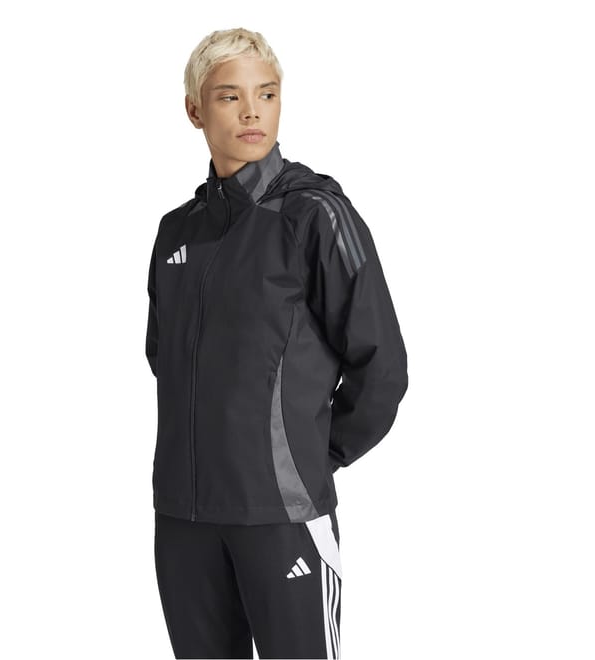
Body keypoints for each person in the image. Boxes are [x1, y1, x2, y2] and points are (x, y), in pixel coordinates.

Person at [145, 27, 408, 659]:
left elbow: (381, 366)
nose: (251, 112)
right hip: (183, 519)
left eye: (266, 94)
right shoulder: (176, 232)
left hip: (282, 517)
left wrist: (314, 455)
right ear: (194, 110)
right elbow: (165, 359)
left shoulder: (314, 215)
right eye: (229, 96)